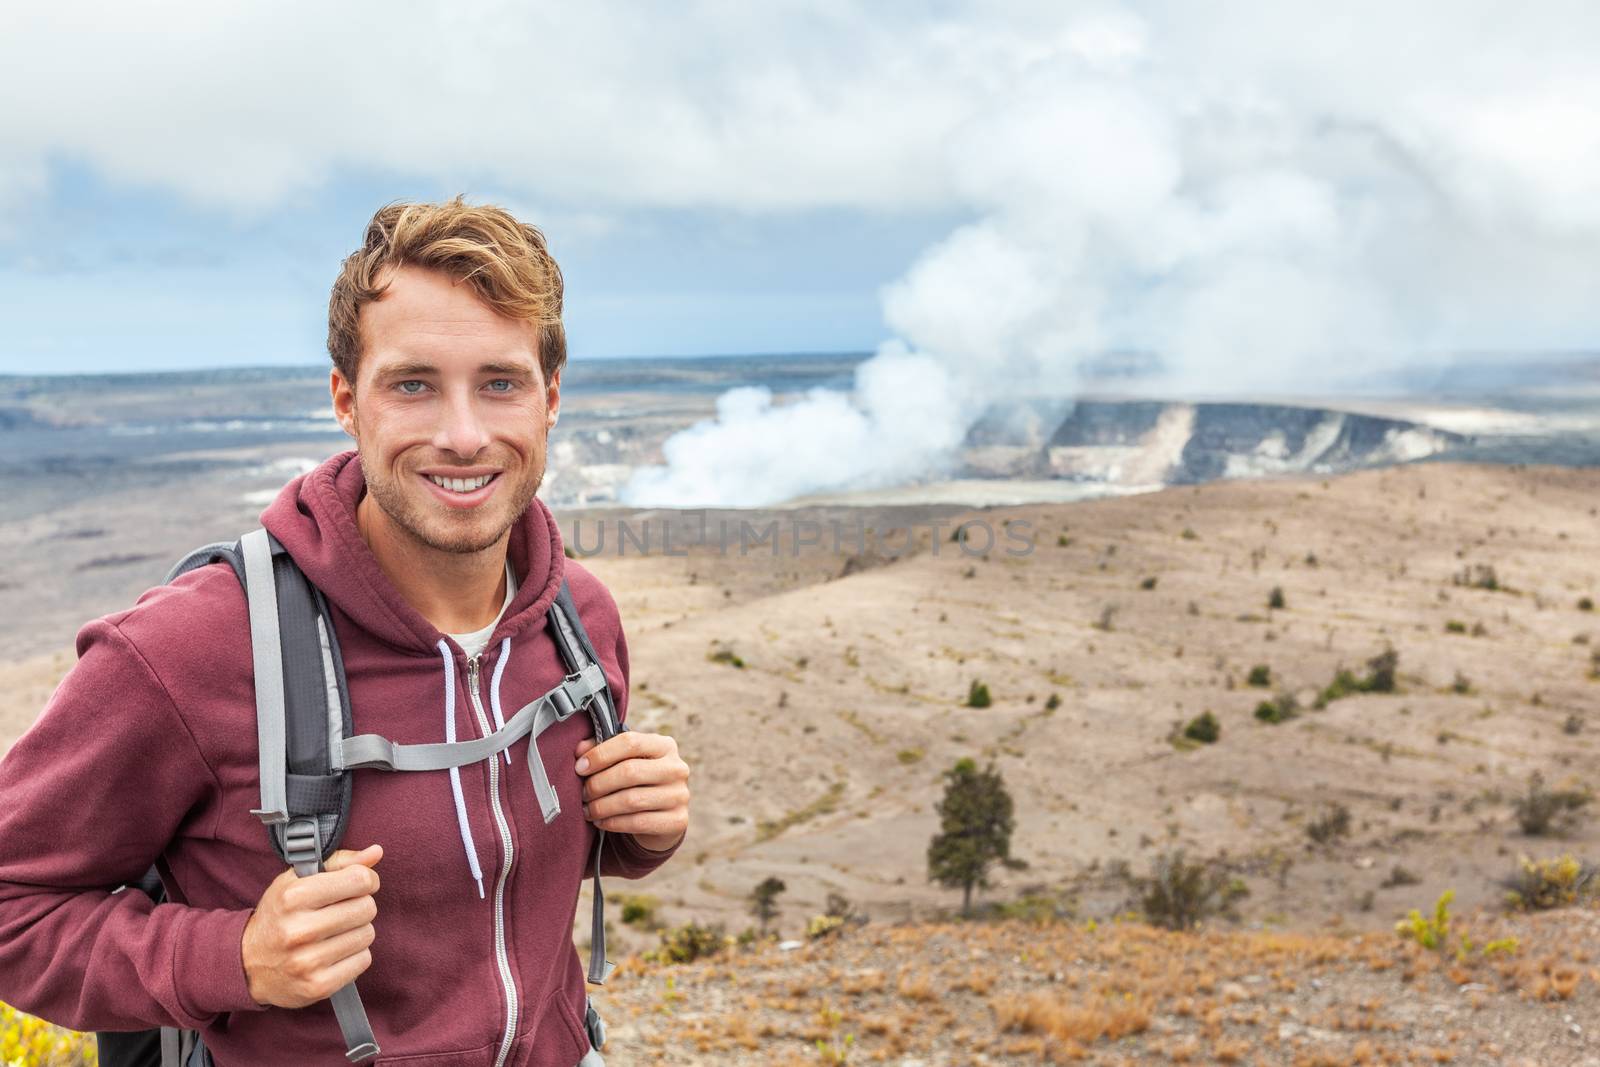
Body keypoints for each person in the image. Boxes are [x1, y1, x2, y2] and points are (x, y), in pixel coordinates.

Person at [0, 198, 690, 1066]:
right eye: (413, 384)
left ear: (550, 399)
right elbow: (12, 901)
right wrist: (233, 957)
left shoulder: (576, 617)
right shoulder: (191, 648)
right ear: (346, 401)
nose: (464, 434)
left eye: (500, 383)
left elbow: (497, 865)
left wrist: (633, 835)